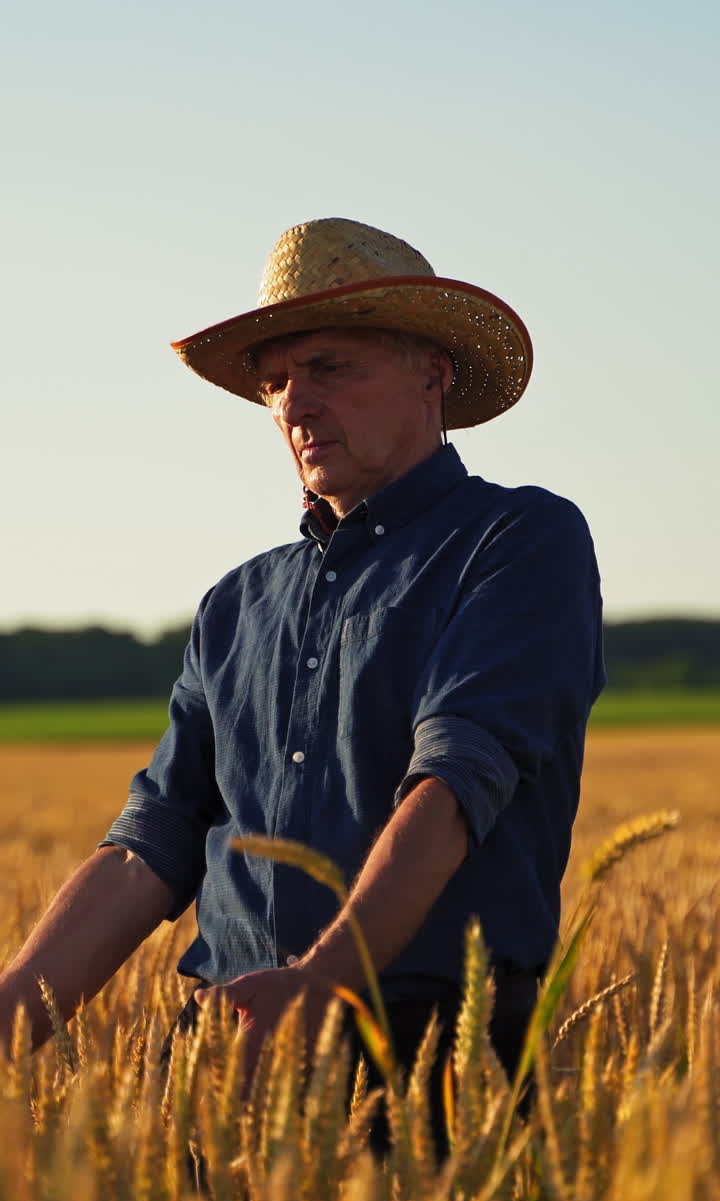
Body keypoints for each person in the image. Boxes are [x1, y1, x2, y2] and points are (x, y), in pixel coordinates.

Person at [0, 218, 605, 1154]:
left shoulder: (517, 543)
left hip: (426, 1066)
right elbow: (150, 845)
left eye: (329, 367)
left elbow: (453, 784)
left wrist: (323, 984)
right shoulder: (235, 604)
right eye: (275, 382)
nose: (294, 406)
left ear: (431, 370)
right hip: (220, 1058)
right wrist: (10, 1016)